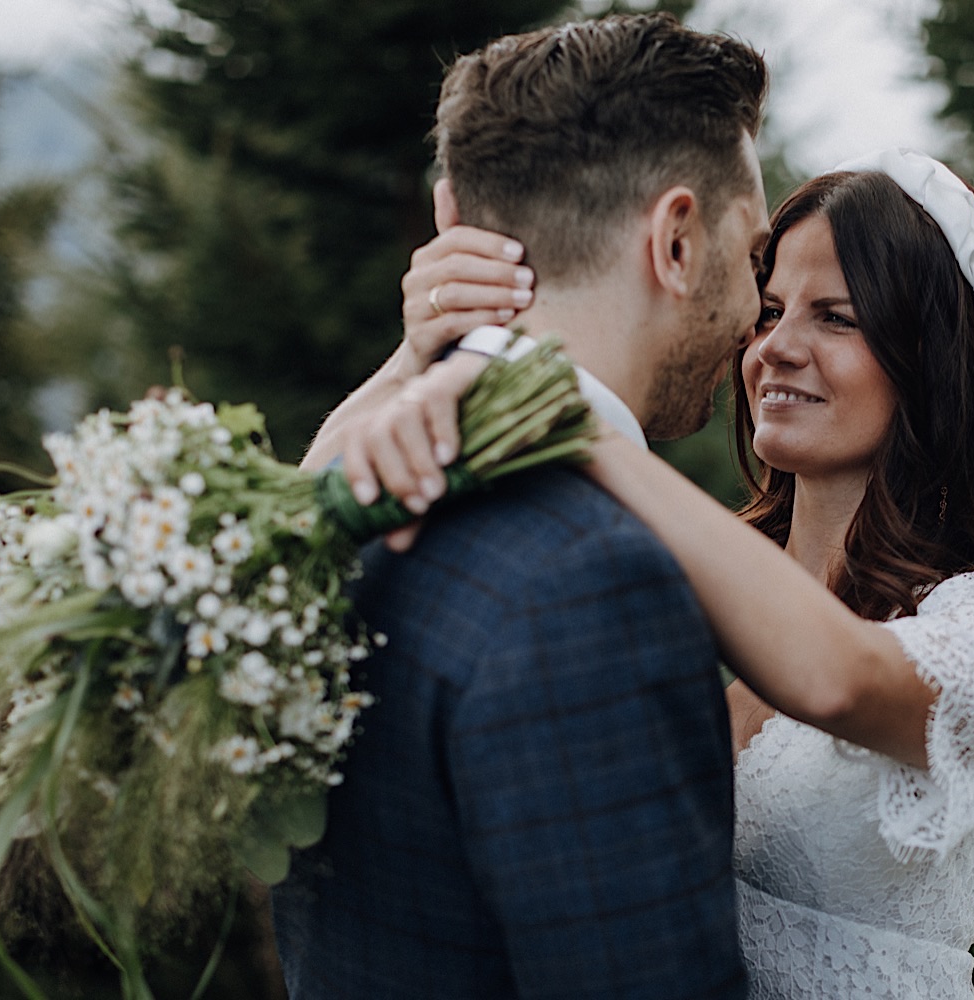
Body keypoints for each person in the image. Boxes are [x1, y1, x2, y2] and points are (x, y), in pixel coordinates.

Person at [341, 149, 974, 998]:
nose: (776, 349)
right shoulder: (687, 571)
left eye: (837, 318)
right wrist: (414, 361)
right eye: (771, 309)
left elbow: (837, 676)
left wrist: (565, 409)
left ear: (936, 363)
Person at [270, 14, 770, 1000]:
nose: (758, 314)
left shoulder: (334, 514)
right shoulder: (593, 576)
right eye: (753, 257)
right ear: (676, 239)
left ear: (453, 214)